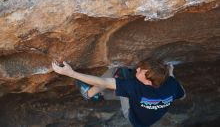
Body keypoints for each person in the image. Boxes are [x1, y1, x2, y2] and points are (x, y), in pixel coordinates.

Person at [52, 58, 185, 127]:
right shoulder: (171, 85)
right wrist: (172, 75)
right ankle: (104, 94)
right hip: (148, 120)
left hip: (134, 117)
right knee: (125, 84)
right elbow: (183, 95)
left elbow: (103, 82)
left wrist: (71, 73)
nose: (137, 69)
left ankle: (89, 93)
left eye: (140, 71)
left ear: (149, 82)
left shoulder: (134, 87)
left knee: (117, 71)